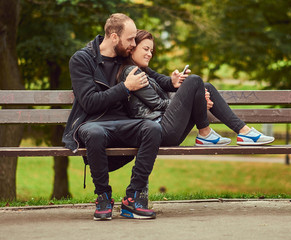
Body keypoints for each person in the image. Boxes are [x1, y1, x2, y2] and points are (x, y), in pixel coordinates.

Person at [62, 14, 161, 221]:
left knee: (152, 128)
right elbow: (89, 102)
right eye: (131, 39)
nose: (134, 44)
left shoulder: (125, 57)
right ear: (114, 37)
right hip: (91, 123)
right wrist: (125, 88)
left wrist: (176, 83)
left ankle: (133, 198)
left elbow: (155, 77)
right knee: (95, 133)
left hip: (125, 123)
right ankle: (103, 197)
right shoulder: (82, 59)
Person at [117, 30, 275, 149]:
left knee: (204, 86)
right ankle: (206, 134)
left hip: (166, 128)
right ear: (132, 48)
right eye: (145, 49)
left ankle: (243, 131)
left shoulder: (144, 70)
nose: (149, 54)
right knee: (194, 80)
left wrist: (183, 90)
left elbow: (163, 82)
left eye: (151, 51)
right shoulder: (132, 73)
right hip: (158, 132)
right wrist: (194, 103)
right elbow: (158, 104)